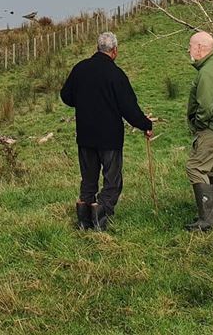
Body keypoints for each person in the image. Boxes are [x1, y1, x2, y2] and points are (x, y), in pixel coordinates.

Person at [60, 32, 153, 231]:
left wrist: (83, 101)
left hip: (85, 135)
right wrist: (146, 124)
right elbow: (129, 108)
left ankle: (84, 218)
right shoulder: (115, 74)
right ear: (115, 51)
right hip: (109, 137)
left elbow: (66, 96)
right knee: (112, 180)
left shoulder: (80, 68)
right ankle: (100, 215)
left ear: (97, 47)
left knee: (88, 177)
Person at [184, 31, 213, 232]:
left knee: (195, 168)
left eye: (190, 46)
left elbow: (205, 106)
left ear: (200, 48)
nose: (189, 50)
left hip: (211, 129)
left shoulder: (208, 72)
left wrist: (198, 124)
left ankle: (207, 219)